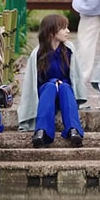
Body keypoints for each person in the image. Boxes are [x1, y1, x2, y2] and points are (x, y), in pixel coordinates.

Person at [17, 14, 87, 148]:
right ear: (51, 32)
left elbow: (74, 77)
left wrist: (59, 83)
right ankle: (42, 131)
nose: (67, 31)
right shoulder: (38, 53)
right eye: (63, 28)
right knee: (49, 86)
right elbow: (35, 82)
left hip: (64, 95)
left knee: (65, 87)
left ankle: (74, 130)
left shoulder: (68, 50)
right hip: (46, 95)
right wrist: (53, 82)